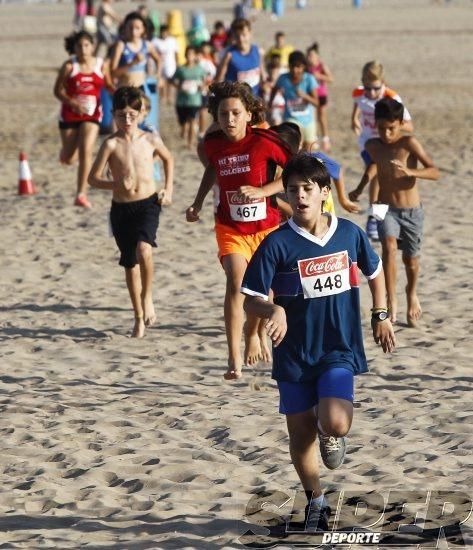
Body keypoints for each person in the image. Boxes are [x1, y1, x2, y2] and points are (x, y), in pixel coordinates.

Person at [241, 152, 395, 531]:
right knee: (300, 435)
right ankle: (316, 500)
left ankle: (330, 431)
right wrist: (272, 311)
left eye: (308, 189)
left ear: (325, 191)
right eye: (292, 190)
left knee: (336, 423)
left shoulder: (348, 233)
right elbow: (250, 297)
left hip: (337, 349)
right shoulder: (277, 243)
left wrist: (381, 314)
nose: (300, 197)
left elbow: (374, 271)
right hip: (293, 354)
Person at [186, 81, 292, 380]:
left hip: (267, 227)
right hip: (231, 227)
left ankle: (254, 334)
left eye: (235, 113)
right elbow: (212, 169)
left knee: (266, 293)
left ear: (249, 114)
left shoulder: (266, 142)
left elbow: (294, 176)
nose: (229, 119)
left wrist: (262, 191)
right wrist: (197, 203)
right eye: (223, 114)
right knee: (236, 282)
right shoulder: (213, 144)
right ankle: (233, 359)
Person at [88, 87, 174, 338]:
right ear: (113, 114)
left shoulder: (150, 140)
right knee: (130, 263)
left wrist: (167, 189)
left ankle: (147, 297)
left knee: (144, 249)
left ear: (141, 114)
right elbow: (92, 178)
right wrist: (114, 184)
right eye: (121, 115)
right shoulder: (111, 143)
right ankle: (138, 316)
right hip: (121, 209)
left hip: (147, 204)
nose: (127, 120)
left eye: (132, 115)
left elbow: (169, 159)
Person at [349, 98, 439, 327]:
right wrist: (360, 187)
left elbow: (435, 171)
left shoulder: (408, 143)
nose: (387, 133)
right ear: (375, 125)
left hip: (411, 211)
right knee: (387, 246)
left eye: (391, 128)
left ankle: (411, 294)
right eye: (381, 128)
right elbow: (374, 165)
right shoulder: (373, 145)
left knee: (411, 261)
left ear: (400, 123)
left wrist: (410, 171)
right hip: (383, 207)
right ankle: (391, 300)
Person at [351, 60, 413, 241]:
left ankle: (383, 217)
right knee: (376, 174)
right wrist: (353, 119)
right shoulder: (358, 93)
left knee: (386, 178)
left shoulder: (392, 98)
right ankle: (373, 218)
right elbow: (358, 105)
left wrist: (391, 128)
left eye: (375, 88)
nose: (371, 93)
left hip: (388, 144)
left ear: (383, 83)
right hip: (368, 143)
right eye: (368, 88)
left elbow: (409, 125)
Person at [54, 31, 105, 208]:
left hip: (92, 114)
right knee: (69, 158)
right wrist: (73, 103)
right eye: (79, 46)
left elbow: (111, 84)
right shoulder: (69, 66)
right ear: (74, 48)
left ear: (92, 47)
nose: (83, 49)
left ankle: (81, 194)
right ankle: (66, 153)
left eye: (86, 45)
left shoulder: (101, 65)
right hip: (70, 114)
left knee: (86, 149)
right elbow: (57, 91)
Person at [269, 50, 319, 152]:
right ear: (289, 66)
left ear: (303, 67)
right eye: (292, 66)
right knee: (294, 144)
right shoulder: (283, 78)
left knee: (310, 149)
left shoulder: (309, 79)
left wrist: (305, 96)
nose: (295, 70)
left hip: (308, 120)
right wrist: (270, 102)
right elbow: (275, 88)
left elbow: (316, 103)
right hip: (291, 118)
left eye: (298, 67)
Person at [110, 11, 161, 90]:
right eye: (130, 28)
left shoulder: (147, 45)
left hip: (141, 91)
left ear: (143, 29)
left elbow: (158, 60)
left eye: (137, 28)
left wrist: (158, 76)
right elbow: (113, 73)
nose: (133, 32)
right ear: (125, 28)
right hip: (124, 91)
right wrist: (132, 63)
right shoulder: (121, 45)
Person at [215, 18, 265, 96]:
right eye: (237, 36)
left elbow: (262, 74)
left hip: (255, 100)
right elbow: (219, 80)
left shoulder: (257, 51)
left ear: (250, 33)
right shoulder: (229, 55)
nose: (241, 39)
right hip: (236, 101)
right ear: (233, 36)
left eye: (244, 35)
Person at [172, 46, 206, 149]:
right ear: (185, 55)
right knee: (182, 122)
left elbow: (204, 81)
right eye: (187, 54)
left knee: (192, 120)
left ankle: (190, 143)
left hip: (195, 101)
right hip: (181, 101)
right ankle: (183, 128)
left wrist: (202, 87)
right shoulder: (181, 69)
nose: (189, 56)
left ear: (195, 56)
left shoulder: (199, 69)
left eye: (191, 54)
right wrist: (179, 87)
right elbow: (173, 80)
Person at [306, 42, 333, 152]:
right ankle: (314, 137)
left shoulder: (321, 66)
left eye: (311, 55)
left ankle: (325, 138)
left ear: (317, 56)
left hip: (321, 94)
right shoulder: (307, 68)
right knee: (312, 116)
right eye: (308, 56)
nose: (309, 58)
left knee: (322, 115)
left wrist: (320, 76)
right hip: (311, 94)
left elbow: (331, 78)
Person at [152, 24, 179, 105]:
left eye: (166, 32)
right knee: (162, 80)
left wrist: (177, 63)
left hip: (170, 63)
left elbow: (176, 52)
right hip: (160, 64)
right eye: (162, 32)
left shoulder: (172, 40)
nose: (164, 34)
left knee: (170, 81)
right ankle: (163, 96)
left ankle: (170, 96)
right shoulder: (155, 41)